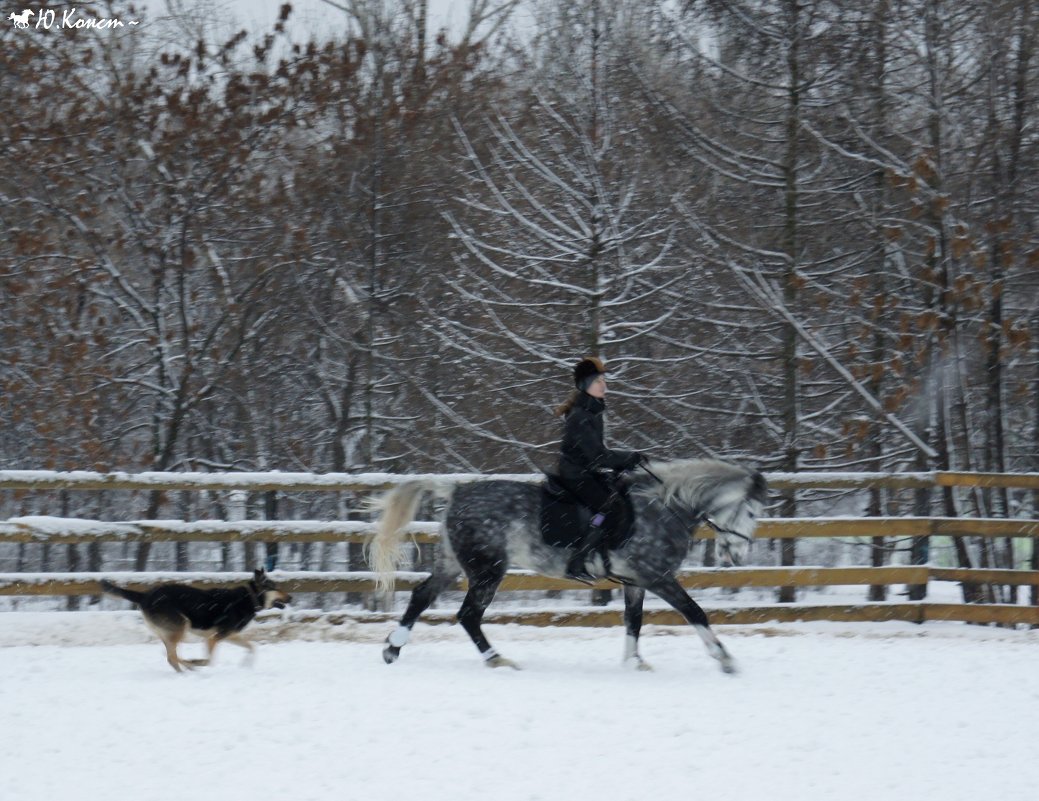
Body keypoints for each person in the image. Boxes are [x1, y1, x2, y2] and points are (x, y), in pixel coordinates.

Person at [555, 356, 643, 580]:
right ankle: (577, 562)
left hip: (585, 472)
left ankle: (604, 561)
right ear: (585, 386)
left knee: (618, 499)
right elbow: (596, 455)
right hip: (575, 475)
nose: (604, 385)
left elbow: (596, 455)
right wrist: (628, 457)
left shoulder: (591, 412)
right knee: (607, 509)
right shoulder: (581, 416)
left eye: (604, 380)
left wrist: (623, 461)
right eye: (598, 381)